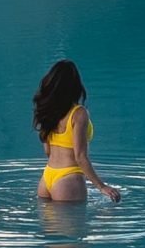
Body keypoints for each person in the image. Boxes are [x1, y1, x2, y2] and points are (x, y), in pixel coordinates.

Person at [33, 58, 121, 204]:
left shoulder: (49, 113)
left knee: (51, 227)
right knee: (77, 227)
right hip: (68, 179)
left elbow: (48, 151)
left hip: (46, 179)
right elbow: (80, 156)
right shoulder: (79, 113)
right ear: (75, 86)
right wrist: (102, 186)